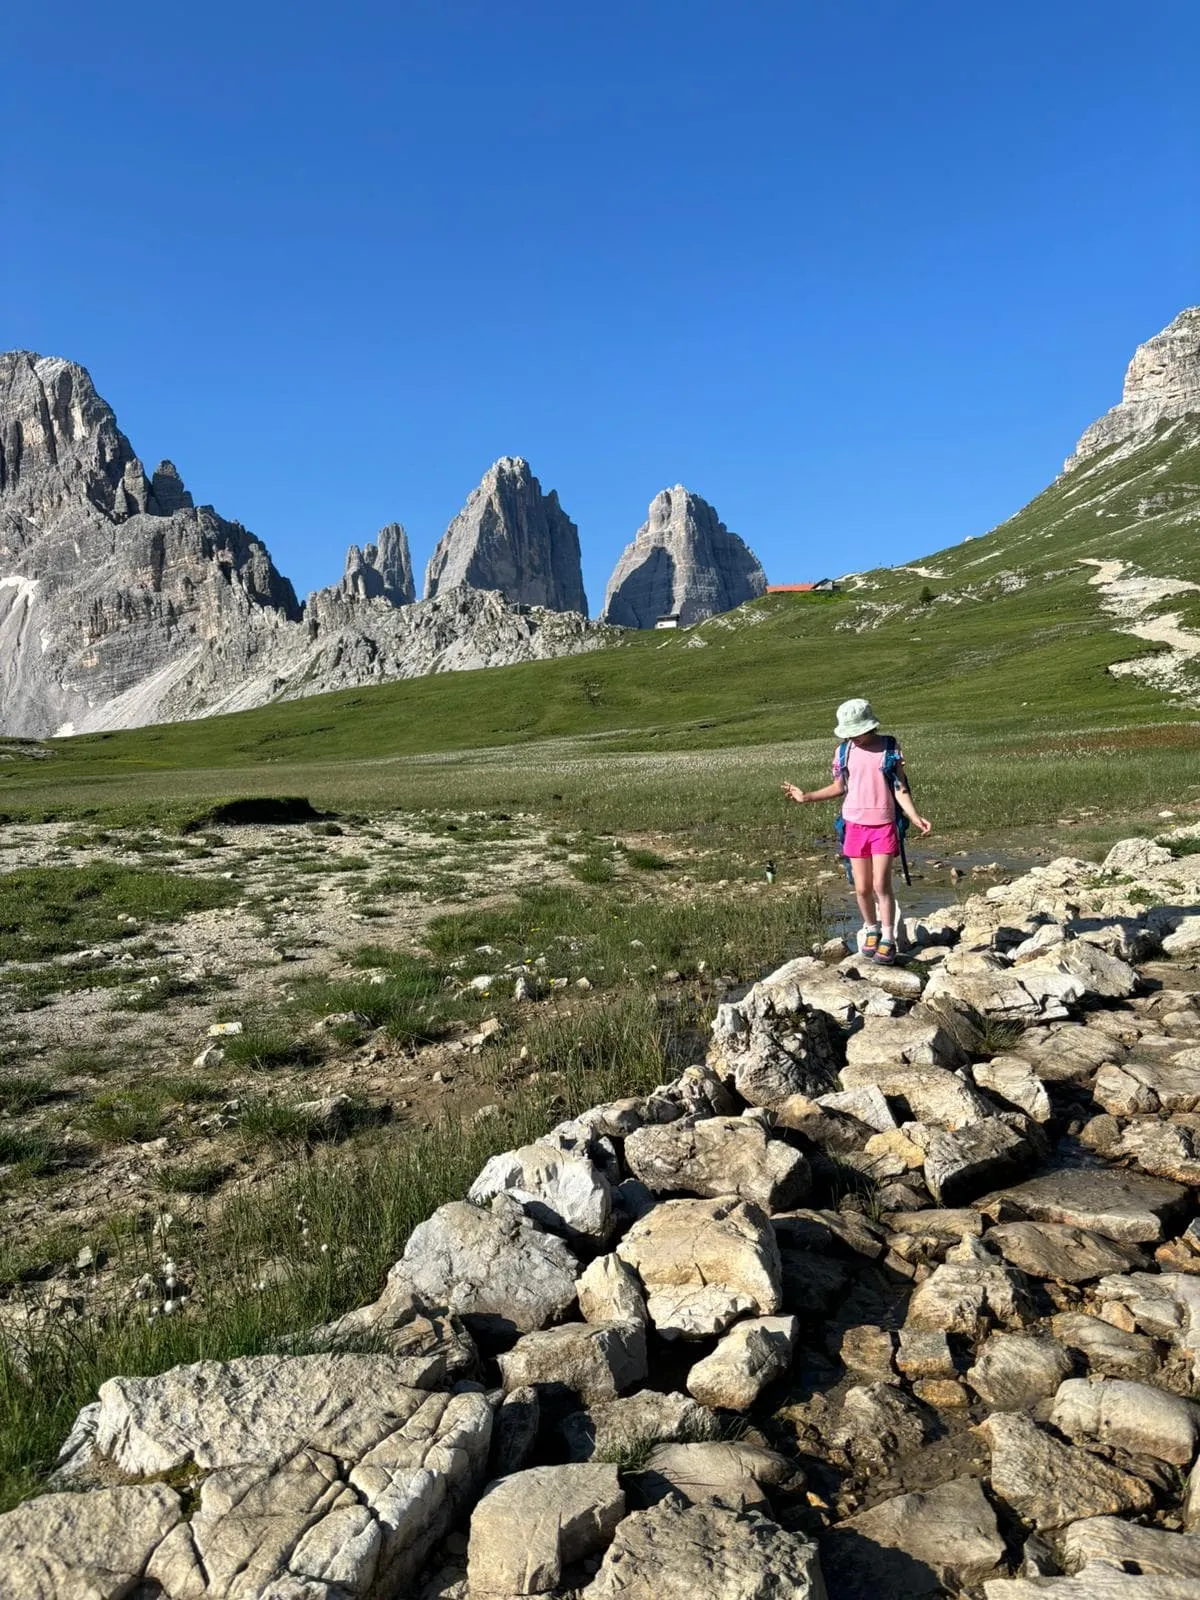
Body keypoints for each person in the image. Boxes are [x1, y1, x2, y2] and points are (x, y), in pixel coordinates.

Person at [782, 697, 931, 966]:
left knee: (880, 885)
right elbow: (840, 786)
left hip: (883, 825)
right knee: (862, 887)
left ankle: (888, 937)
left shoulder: (889, 747)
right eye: (849, 733)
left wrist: (915, 816)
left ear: (869, 727)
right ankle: (871, 928)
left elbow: (900, 788)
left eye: (857, 732)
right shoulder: (843, 751)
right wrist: (807, 797)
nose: (854, 738)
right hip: (854, 825)